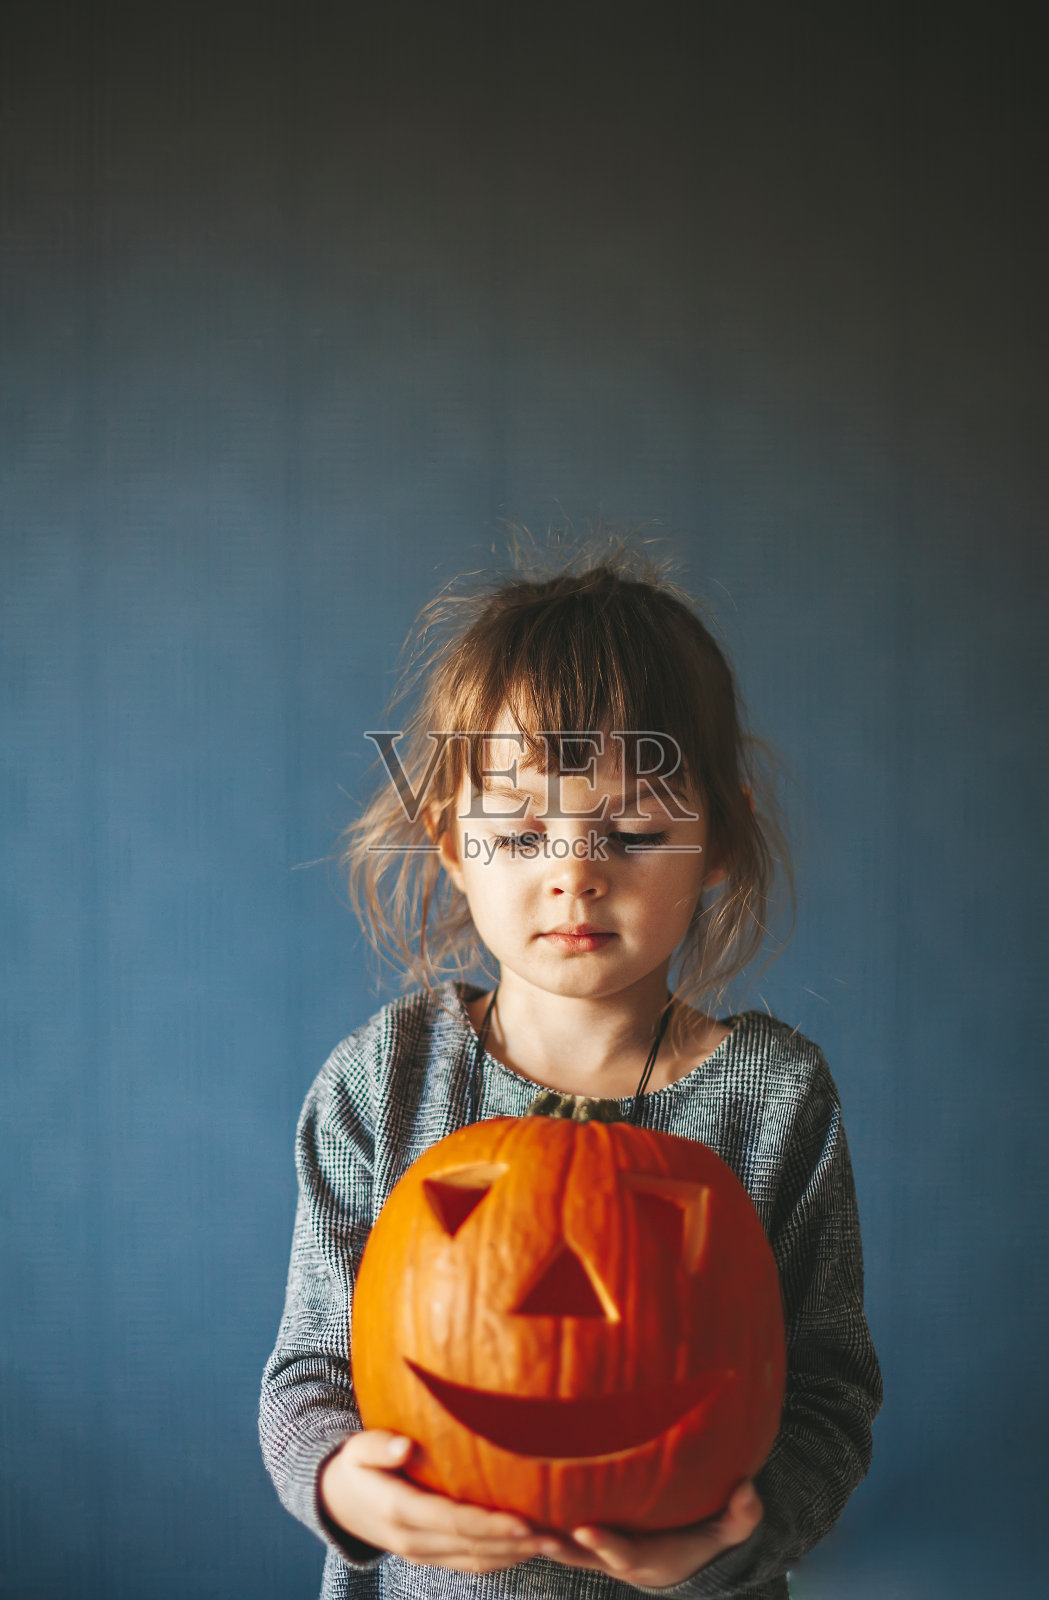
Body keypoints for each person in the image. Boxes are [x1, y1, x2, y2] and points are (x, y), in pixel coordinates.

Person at [259, 538, 882, 1599]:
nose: (574, 875)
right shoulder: (383, 1079)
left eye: (630, 830)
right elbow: (310, 1369)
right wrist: (342, 1482)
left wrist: (727, 1539)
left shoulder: (773, 1097)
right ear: (452, 842)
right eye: (521, 831)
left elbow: (824, 1392)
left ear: (716, 842)